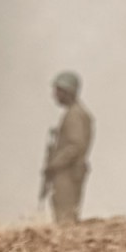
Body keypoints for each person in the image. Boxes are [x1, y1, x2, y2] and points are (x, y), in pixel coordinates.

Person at [41, 71, 93, 224]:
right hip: (68, 171)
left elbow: (75, 146)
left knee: (65, 219)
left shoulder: (74, 115)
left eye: (58, 91)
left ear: (67, 91)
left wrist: (53, 165)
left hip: (68, 173)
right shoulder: (75, 113)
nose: (55, 95)